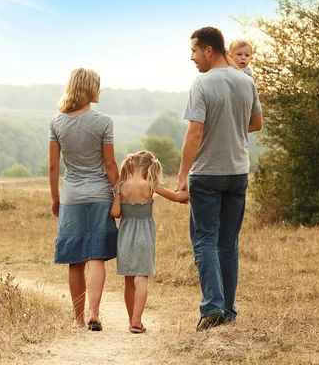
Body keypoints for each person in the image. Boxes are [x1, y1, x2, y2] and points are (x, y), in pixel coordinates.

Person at [176, 27, 263, 331]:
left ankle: (213, 309)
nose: (192, 58)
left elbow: (195, 132)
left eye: (194, 51)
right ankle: (227, 309)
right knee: (228, 242)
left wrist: (182, 174)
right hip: (238, 172)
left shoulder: (202, 84)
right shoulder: (246, 81)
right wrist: (231, 125)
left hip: (207, 173)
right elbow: (257, 123)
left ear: (209, 51)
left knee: (205, 241)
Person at [49, 68, 119, 331]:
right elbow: (110, 163)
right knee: (96, 256)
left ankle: (78, 320)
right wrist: (119, 193)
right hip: (101, 194)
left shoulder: (57, 123)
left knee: (75, 260)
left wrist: (56, 197)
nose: (100, 91)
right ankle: (94, 313)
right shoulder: (103, 122)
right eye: (98, 86)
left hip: (72, 197)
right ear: (90, 89)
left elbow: (53, 167)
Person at [110, 151, 190, 334]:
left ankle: (132, 320)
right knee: (141, 278)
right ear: (149, 168)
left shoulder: (121, 186)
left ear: (131, 165)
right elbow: (177, 197)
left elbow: (115, 213)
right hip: (145, 235)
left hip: (125, 236)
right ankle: (137, 321)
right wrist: (189, 193)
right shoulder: (151, 185)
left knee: (129, 280)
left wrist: (120, 200)